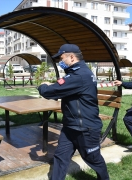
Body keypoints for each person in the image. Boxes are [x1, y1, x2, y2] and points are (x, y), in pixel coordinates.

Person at [37, 44, 109, 180]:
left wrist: (43, 86)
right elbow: (64, 89)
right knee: (61, 156)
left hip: (85, 127)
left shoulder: (80, 75)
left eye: (61, 58)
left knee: (93, 158)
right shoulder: (77, 73)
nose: (60, 61)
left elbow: (49, 92)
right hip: (71, 126)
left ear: (71, 57)